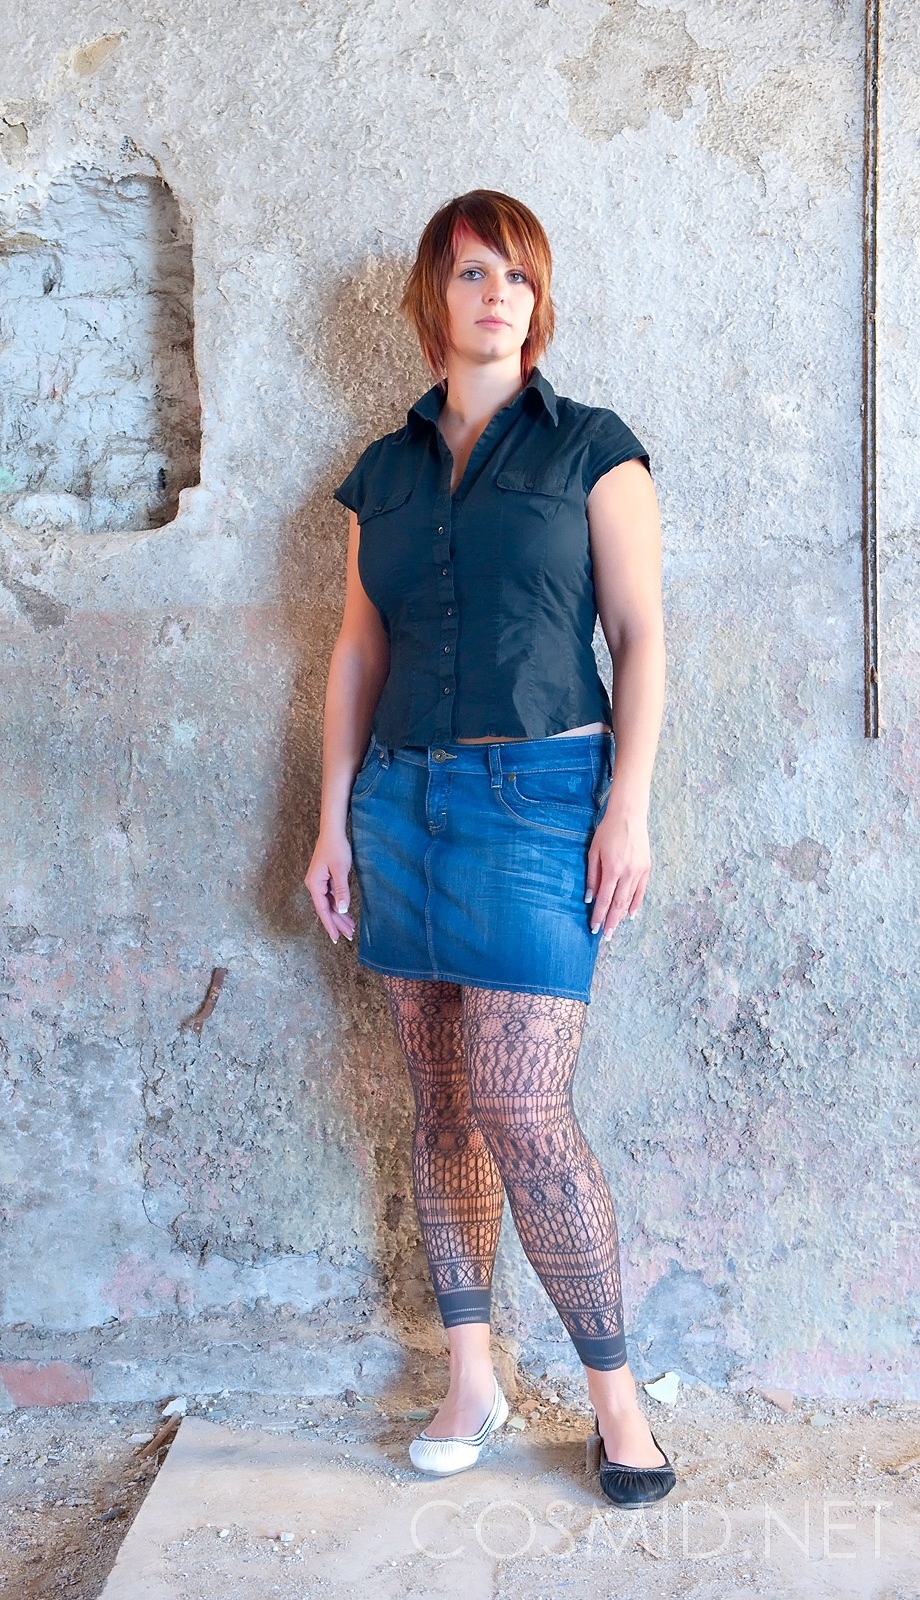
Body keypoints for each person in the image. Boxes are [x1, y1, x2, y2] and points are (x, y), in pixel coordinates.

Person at [304, 190, 674, 1508]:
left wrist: (627, 807)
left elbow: (639, 635)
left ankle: (615, 1402)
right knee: (443, 1108)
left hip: (542, 802)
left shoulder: (593, 450)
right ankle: (471, 1376)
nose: (496, 295)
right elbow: (358, 650)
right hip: (400, 806)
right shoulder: (382, 474)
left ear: (537, 297)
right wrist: (331, 816)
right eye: (471, 273)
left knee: (523, 1109)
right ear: (434, 297)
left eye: (516, 274)